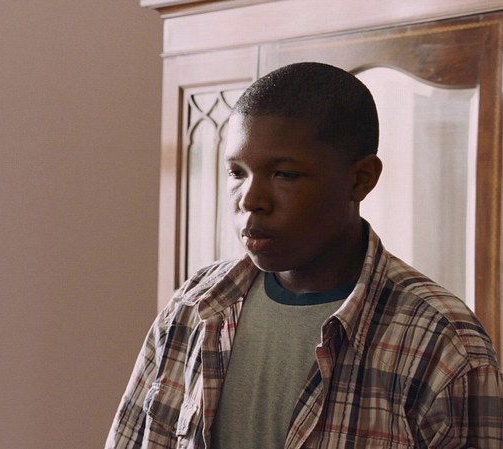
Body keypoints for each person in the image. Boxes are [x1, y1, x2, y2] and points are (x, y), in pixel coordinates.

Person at [106, 62, 503, 448]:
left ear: (361, 179)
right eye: (237, 172)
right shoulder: (194, 306)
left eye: (285, 174)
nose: (250, 200)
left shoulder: (442, 341)